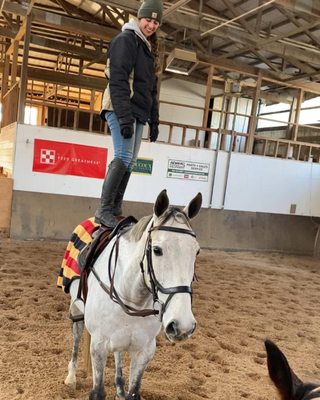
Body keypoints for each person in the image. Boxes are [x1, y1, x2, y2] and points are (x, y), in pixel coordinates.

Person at [95, 0, 163, 228]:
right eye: (148, 20)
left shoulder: (147, 48)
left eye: (156, 22)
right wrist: (124, 116)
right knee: (123, 157)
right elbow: (118, 81)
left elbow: (151, 89)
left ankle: (115, 208)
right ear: (139, 18)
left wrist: (154, 120)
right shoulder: (126, 40)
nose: (152, 25)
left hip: (139, 112)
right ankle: (103, 210)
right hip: (120, 106)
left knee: (131, 162)